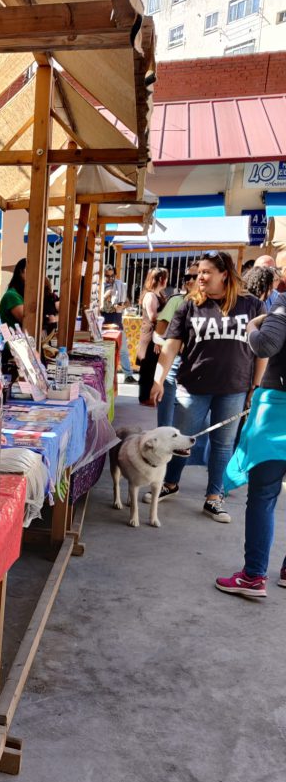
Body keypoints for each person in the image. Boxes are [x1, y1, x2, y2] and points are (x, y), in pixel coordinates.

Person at [148, 251, 265, 522]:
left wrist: (256, 386)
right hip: (193, 385)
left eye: (206, 272)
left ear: (224, 274)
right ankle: (171, 482)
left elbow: (263, 351)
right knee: (182, 439)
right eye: (198, 272)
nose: (199, 277)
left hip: (234, 387)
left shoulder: (252, 306)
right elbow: (171, 345)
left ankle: (214, 496)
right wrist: (158, 379)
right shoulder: (189, 305)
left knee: (223, 444)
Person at [215, 291, 286, 596]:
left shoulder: (283, 304)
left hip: (279, 410)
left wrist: (253, 326)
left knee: (264, 495)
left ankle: (254, 576)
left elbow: (266, 344)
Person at [154, 264, 198, 428]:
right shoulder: (177, 301)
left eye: (195, 276)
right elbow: (157, 334)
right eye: (187, 278)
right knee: (167, 418)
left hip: (199, 370)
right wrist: (173, 345)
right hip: (175, 363)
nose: (191, 281)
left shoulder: (212, 305)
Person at [136, 267, 169, 405]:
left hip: (156, 334)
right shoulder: (151, 296)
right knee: (148, 368)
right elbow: (153, 317)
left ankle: (151, 397)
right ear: (161, 279)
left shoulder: (159, 294)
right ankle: (145, 398)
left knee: (153, 367)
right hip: (151, 335)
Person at [101, 265, 135, 383]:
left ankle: (128, 375)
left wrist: (122, 306)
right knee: (105, 351)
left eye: (112, 275)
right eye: (107, 276)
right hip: (104, 320)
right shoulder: (100, 287)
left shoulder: (120, 285)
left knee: (123, 349)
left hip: (117, 318)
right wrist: (106, 295)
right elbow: (97, 304)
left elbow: (128, 303)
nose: (110, 278)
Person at [0, 259, 26, 328]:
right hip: (15, 338)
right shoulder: (11, 296)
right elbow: (27, 320)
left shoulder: (22, 294)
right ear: (21, 272)